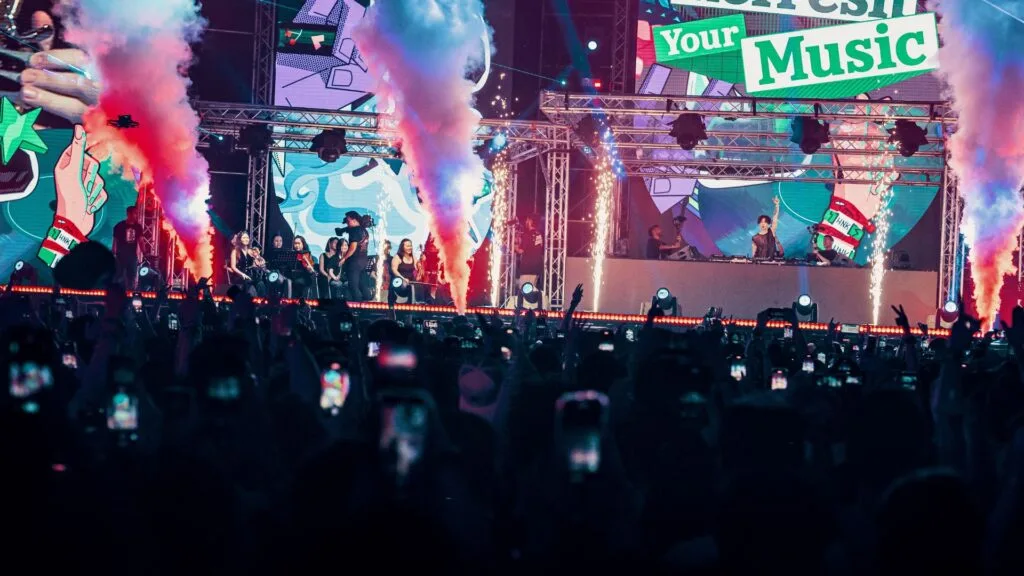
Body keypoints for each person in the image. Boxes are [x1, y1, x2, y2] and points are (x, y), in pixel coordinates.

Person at [338, 211, 371, 301]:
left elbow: (353, 248)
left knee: (353, 286)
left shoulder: (354, 231)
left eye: (348, 221)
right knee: (362, 285)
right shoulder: (364, 231)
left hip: (354, 262)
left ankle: (358, 305)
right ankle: (368, 302)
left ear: (354, 220)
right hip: (363, 261)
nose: (347, 223)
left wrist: (344, 258)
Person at [112, 205, 143, 289]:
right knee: (119, 276)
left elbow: (141, 241)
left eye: (137, 213)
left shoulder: (138, 227)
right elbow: (115, 241)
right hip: (120, 255)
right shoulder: (119, 226)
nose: (136, 215)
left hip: (132, 256)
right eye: (135, 213)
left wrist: (145, 252)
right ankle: (117, 293)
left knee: (132, 277)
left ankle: (130, 293)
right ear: (128, 214)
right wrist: (114, 254)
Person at [227, 231, 265, 296]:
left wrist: (259, 261)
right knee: (250, 288)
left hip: (250, 275)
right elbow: (233, 267)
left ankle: (261, 301)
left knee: (260, 283)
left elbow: (260, 260)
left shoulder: (251, 250)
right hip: (239, 275)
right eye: (244, 238)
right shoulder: (235, 251)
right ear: (240, 239)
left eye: (247, 237)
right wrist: (242, 274)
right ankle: (251, 300)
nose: (246, 239)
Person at [516, 215, 544, 293]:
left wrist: (514, 246)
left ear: (530, 221)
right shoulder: (539, 235)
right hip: (536, 267)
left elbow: (521, 251)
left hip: (527, 267)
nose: (526, 222)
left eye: (527, 220)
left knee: (524, 290)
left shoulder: (527, 235)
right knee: (532, 289)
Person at [390, 238, 419, 305]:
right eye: (407, 246)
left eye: (410, 246)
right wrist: (403, 279)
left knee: (417, 286)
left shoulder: (413, 257)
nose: (410, 248)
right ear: (402, 247)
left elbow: (417, 269)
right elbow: (394, 270)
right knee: (406, 285)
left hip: (411, 283)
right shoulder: (397, 257)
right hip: (400, 284)